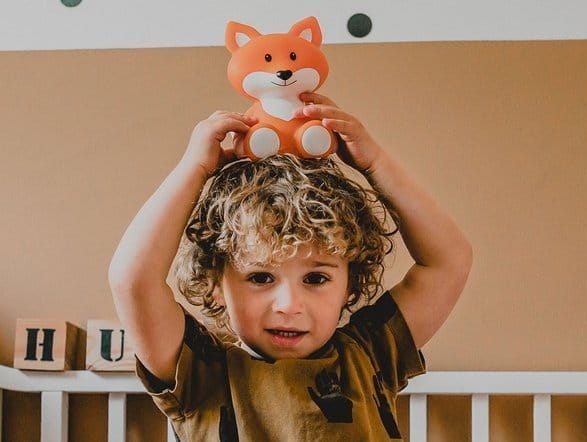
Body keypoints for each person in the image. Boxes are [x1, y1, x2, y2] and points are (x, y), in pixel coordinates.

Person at [108, 92, 473, 441]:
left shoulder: (369, 356)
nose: (289, 305)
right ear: (216, 283)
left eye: (316, 278)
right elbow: (133, 282)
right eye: (260, 277)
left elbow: (449, 262)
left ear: (349, 283)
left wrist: (374, 163)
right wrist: (195, 168)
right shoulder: (201, 375)